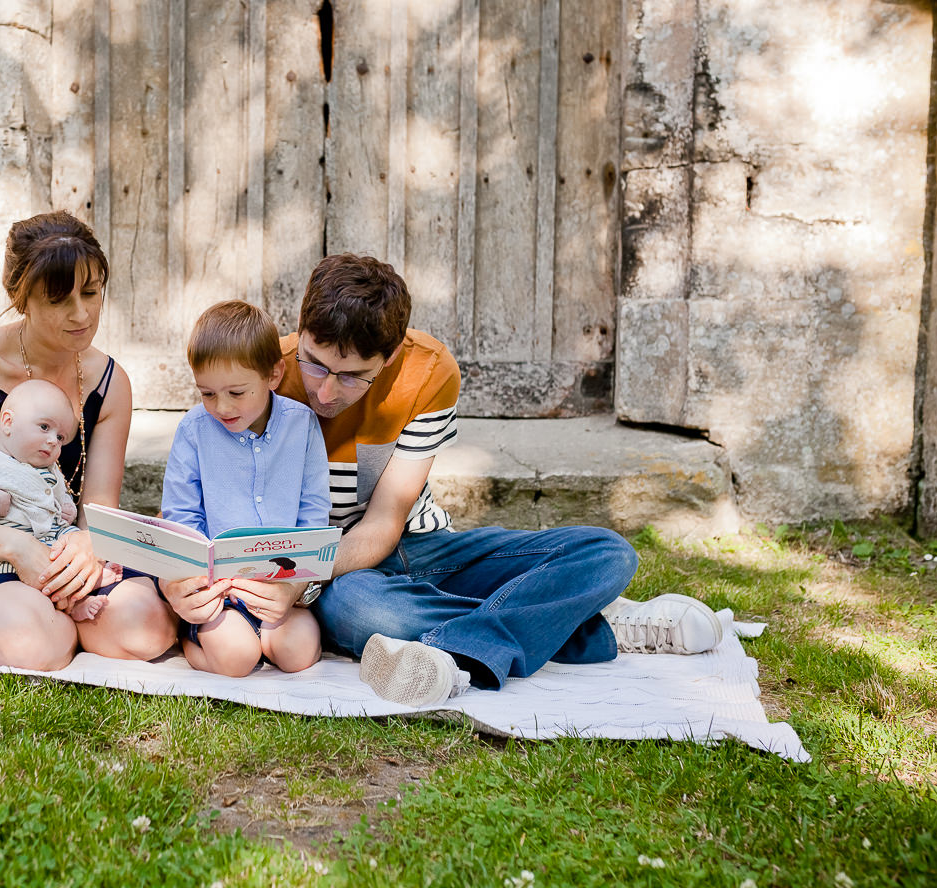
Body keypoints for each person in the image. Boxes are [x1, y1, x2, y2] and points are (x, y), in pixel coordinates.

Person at [266, 254, 723, 706]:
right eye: (315, 363)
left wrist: (302, 571)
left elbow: (383, 526)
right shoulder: (265, 372)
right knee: (358, 609)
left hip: (415, 546)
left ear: (388, 359)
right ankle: (581, 626)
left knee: (607, 552)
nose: (325, 391)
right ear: (300, 332)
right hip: (336, 575)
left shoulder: (428, 371)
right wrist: (297, 573)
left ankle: (488, 633)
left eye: (351, 378)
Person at [0, 211, 177, 670]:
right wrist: (17, 549)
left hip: (57, 546)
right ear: (20, 298)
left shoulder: (110, 382)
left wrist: (85, 546)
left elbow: (97, 512)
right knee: (25, 639)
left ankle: (65, 617)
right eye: (59, 300)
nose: (81, 314)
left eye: (91, 292)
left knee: (148, 625)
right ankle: (59, 624)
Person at [158, 300, 330, 677]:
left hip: (280, 587)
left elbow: (313, 512)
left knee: (298, 653)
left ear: (273, 375)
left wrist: (295, 586)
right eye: (207, 393)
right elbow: (182, 514)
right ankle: (189, 641)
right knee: (236, 659)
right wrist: (202, 580)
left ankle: (263, 642)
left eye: (236, 393)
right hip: (219, 594)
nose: (220, 406)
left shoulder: (302, 426)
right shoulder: (193, 430)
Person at [0, 378, 119, 622]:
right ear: (8, 422)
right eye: (45, 427)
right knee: (36, 574)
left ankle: (81, 585)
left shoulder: (49, 466)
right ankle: (73, 602)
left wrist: (66, 508)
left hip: (47, 539)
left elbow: (59, 493)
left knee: (69, 547)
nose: (53, 440)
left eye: (61, 437)